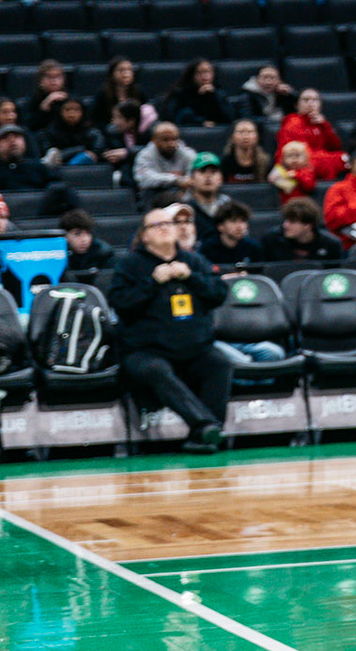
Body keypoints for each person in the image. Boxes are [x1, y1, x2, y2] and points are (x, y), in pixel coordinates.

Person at [110, 207, 229, 454]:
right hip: (146, 352)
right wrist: (152, 282)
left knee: (219, 363)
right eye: (156, 225)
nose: (164, 228)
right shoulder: (130, 265)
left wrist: (192, 277)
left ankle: (203, 437)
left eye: (169, 223)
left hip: (195, 349)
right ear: (144, 236)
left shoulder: (194, 261)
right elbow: (121, 304)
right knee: (156, 369)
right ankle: (206, 426)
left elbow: (219, 294)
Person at [256, 197, 343, 263]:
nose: (285, 225)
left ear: (307, 225)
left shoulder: (330, 244)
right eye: (286, 220)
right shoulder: (270, 240)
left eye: (292, 222)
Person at [134, 122, 197, 205]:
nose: (171, 144)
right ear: (154, 140)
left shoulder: (188, 154)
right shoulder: (145, 155)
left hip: (182, 197)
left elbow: (194, 180)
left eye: (174, 139)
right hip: (154, 198)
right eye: (165, 140)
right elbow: (144, 180)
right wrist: (175, 180)